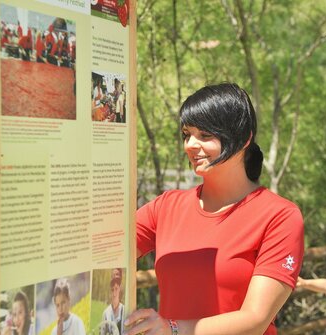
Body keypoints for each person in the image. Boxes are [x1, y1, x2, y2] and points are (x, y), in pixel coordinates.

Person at [126, 83, 305, 335]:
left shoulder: (279, 216)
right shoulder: (165, 206)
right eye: (187, 134)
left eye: (205, 135)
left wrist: (172, 330)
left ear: (244, 138)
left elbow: (255, 320)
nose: (190, 144)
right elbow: (105, 250)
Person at [101, 268, 125, 335]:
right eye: (112, 290)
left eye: (116, 289)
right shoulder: (106, 313)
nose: (114, 293)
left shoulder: (124, 309)